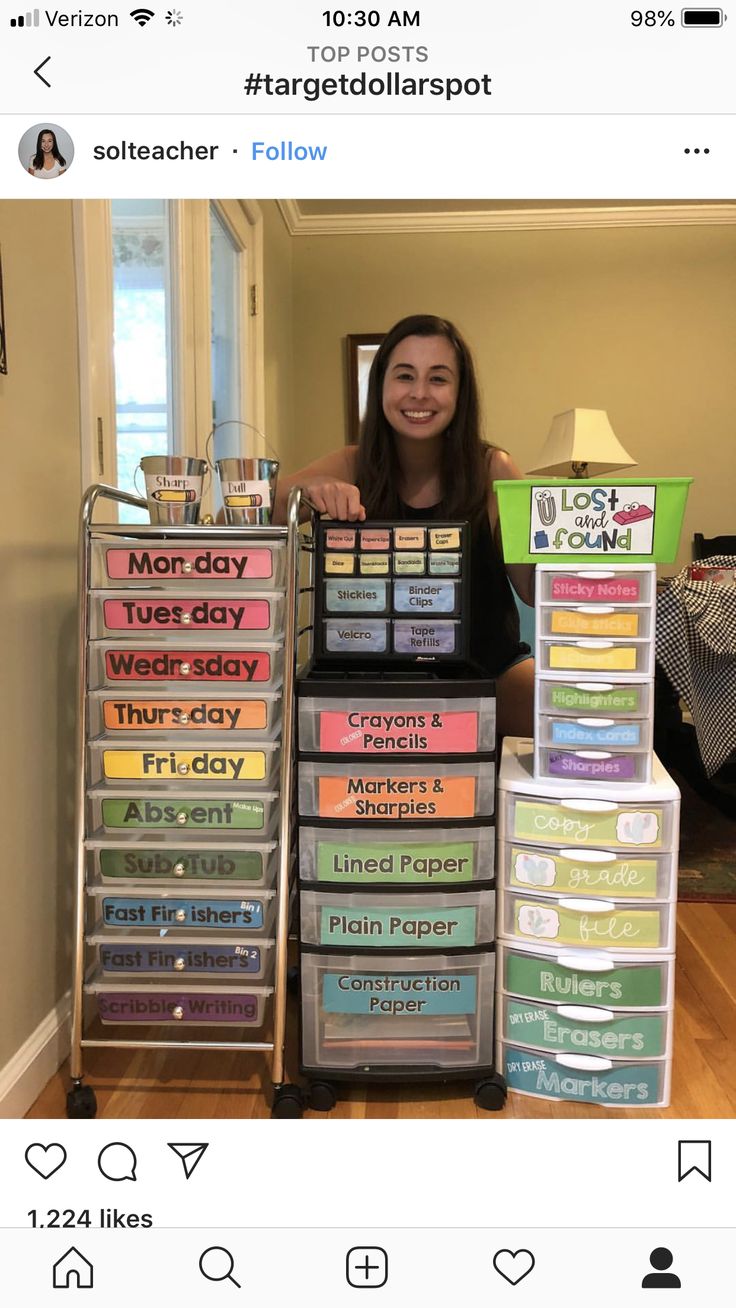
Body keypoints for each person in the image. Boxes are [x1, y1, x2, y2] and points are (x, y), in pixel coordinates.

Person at [274, 313, 535, 738]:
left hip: (490, 673)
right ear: (380, 386)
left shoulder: (494, 469)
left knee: (569, 729)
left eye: (438, 378)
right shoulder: (352, 462)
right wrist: (307, 489)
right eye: (404, 376)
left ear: (460, 391)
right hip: (371, 677)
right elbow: (255, 508)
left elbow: (531, 585)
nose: (419, 394)